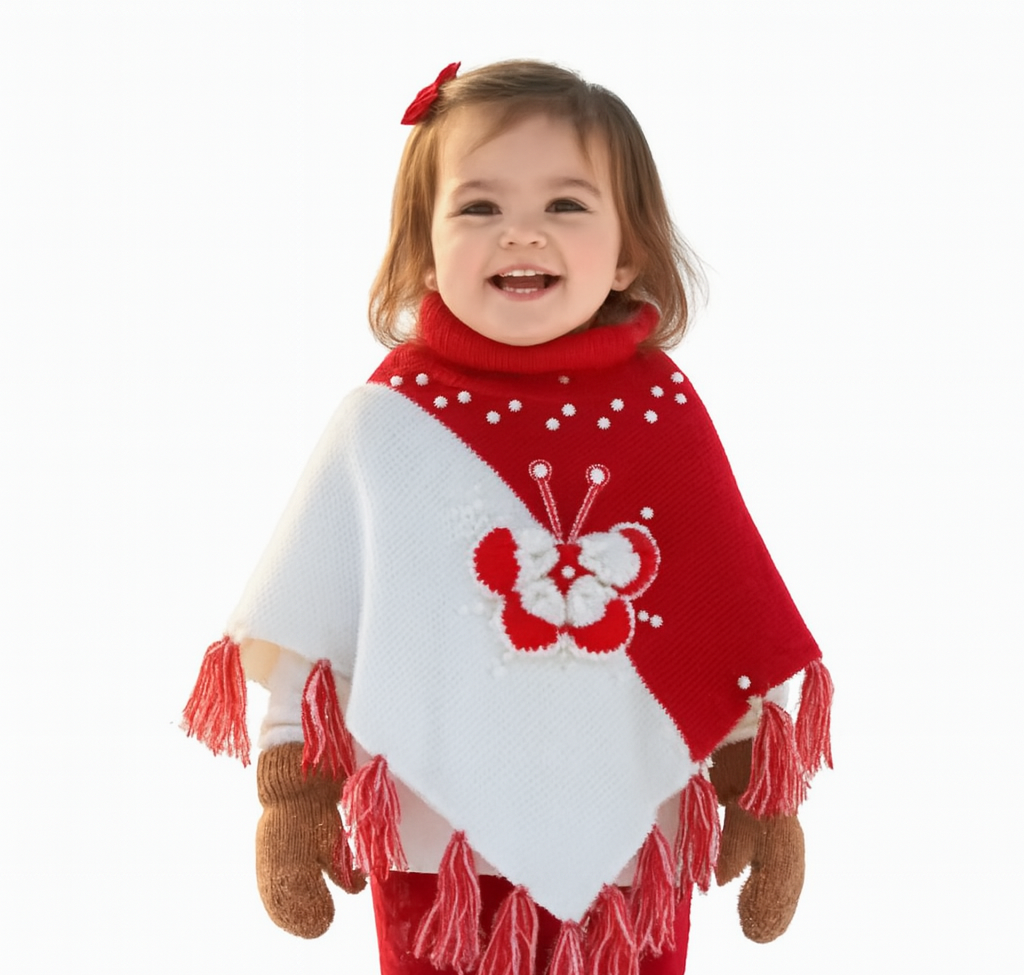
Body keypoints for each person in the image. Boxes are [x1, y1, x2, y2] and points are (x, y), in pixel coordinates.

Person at [183, 59, 833, 975]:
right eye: (479, 206)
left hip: (632, 854)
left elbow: (714, 617)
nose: (521, 232)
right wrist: (294, 794)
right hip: (435, 845)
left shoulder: (662, 416)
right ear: (424, 247)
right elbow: (316, 635)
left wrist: (759, 790)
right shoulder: (386, 423)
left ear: (628, 250)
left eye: (565, 204)